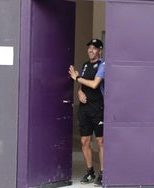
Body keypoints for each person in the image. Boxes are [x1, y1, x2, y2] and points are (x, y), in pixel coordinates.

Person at [68, 39, 105, 187]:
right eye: (89, 47)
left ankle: (103, 173)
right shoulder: (84, 65)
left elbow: (95, 84)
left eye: (94, 48)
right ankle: (90, 172)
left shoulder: (103, 65)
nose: (91, 50)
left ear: (100, 50)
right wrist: (79, 91)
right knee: (84, 141)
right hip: (85, 109)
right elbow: (83, 84)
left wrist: (76, 78)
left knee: (100, 141)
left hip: (98, 108)